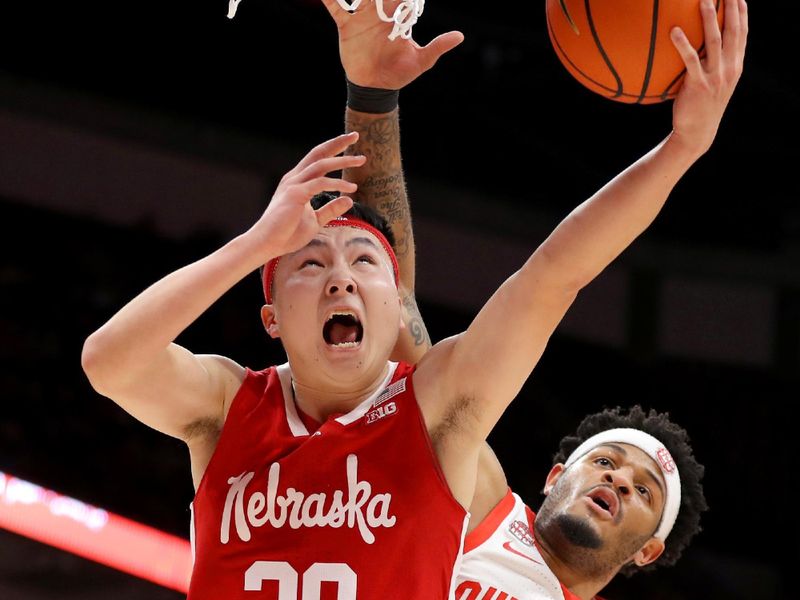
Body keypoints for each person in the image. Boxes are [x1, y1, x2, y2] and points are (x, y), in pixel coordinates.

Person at [325, 0, 746, 598]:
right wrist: (372, 95)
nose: (620, 481)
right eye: (606, 463)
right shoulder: (468, 495)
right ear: (554, 476)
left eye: (644, 490)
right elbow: (536, 280)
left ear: (649, 548)